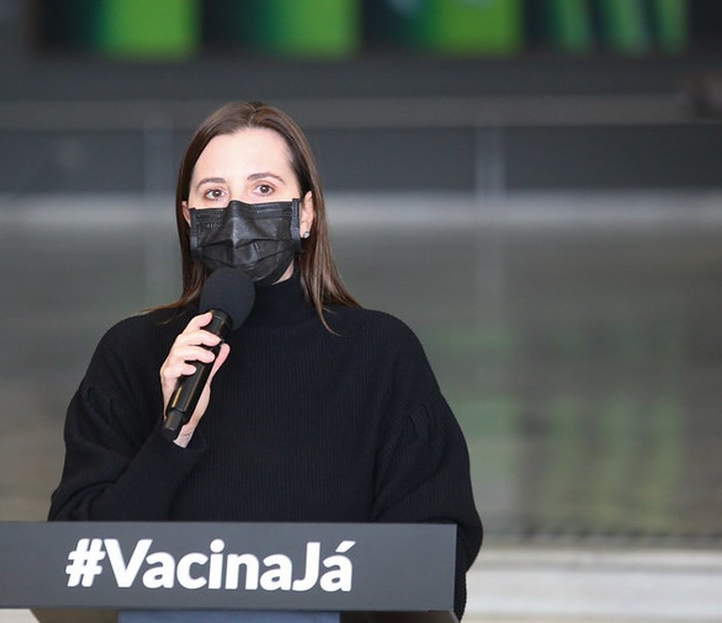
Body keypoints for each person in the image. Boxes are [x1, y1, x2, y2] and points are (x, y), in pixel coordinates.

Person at [48, 101, 482, 619]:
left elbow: (434, 551)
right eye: (214, 194)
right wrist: (170, 438)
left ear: (306, 212)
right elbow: (75, 561)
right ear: (188, 218)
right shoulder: (132, 352)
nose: (237, 214)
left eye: (263, 189)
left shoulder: (381, 353)